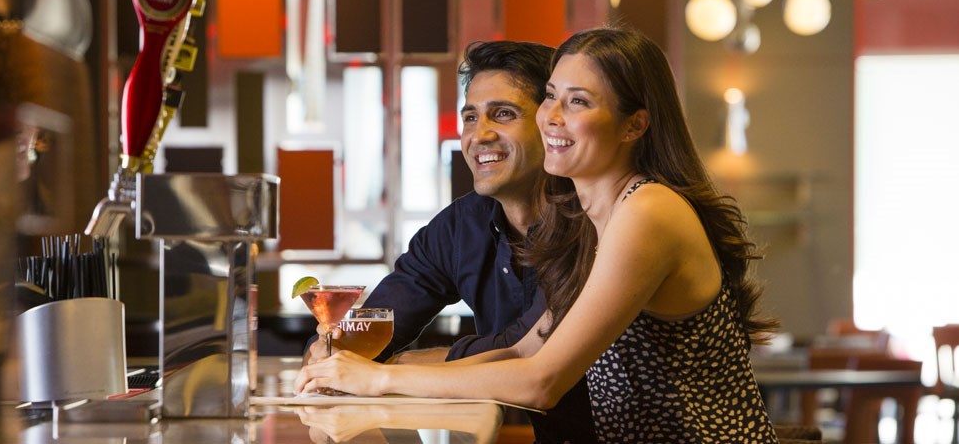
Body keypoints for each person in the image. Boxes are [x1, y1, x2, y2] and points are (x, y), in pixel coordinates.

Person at [296, 27, 780, 443]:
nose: (551, 116)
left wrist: (379, 379)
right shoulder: (600, 217)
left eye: (578, 102)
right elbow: (521, 350)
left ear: (634, 125)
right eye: (551, 96)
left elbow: (541, 382)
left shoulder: (648, 210)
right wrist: (368, 371)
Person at [303, 40, 596, 442]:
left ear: (551, 123)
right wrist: (330, 352)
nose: (480, 135)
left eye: (504, 114)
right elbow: (380, 322)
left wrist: (400, 368)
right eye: (470, 117)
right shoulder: (462, 225)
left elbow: (528, 350)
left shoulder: (592, 221)